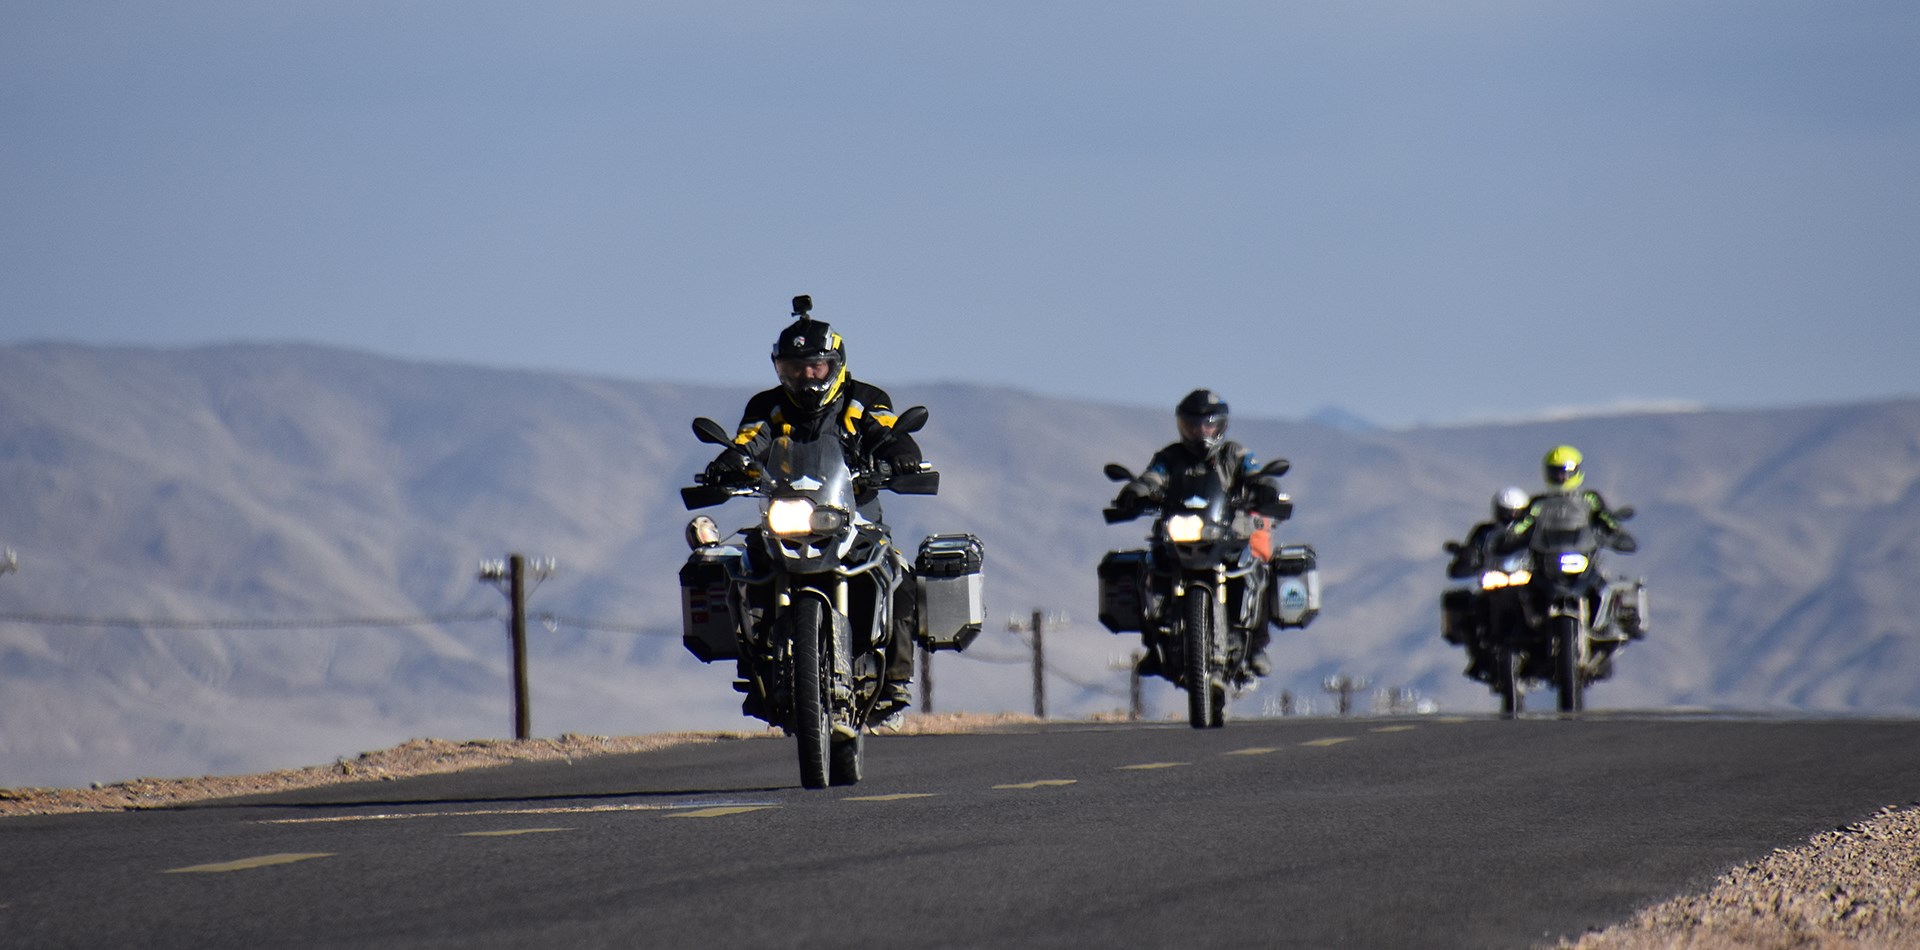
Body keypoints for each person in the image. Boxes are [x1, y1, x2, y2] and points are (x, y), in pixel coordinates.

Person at [705, 296, 924, 720]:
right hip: (786, 515)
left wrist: (901, 453)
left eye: (815, 367)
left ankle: (896, 680)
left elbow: (887, 429)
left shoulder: (863, 398)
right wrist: (729, 462)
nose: (806, 376)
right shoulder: (766, 406)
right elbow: (751, 440)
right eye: (793, 368)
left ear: (835, 364)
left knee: (900, 576)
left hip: (854, 513)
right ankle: (755, 670)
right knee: (740, 570)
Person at [1112, 389, 1287, 676]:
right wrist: (1135, 491)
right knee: (1147, 570)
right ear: (1183, 425)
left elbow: (1255, 473)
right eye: (1192, 424)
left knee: (1256, 571)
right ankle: (1154, 645)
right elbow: (1152, 476)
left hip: (1225, 532)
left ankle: (1255, 646)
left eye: (1207, 424)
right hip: (1178, 534)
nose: (1200, 430)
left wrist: (1265, 486)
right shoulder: (1170, 457)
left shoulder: (1234, 453)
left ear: (1219, 425)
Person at [1505, 445, 1636, 553]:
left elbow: (1605, 518)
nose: (1562, 477)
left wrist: (1615, 533)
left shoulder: (1590, 499)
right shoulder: (1538, 503)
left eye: (1566, 472)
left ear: (1577, 471)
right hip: (1546, 560)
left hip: (1582, 554)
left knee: (1602, 581)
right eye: (1555, 473)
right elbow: (1521, 525)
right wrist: (1510, 536)